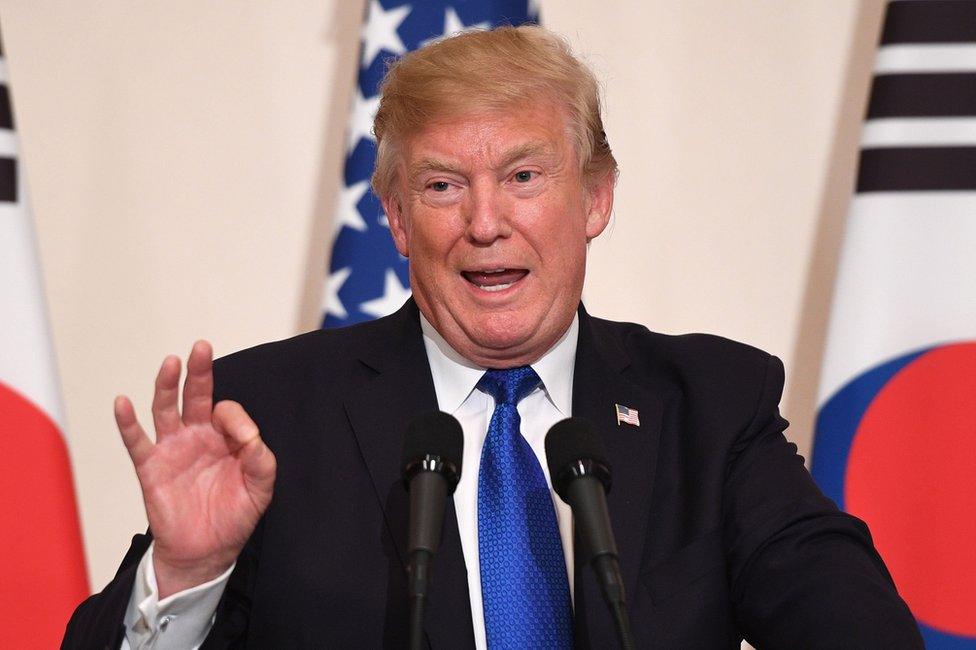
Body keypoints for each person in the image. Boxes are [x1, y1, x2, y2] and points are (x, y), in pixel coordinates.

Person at [63, 26, 922, 649]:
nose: (484, 223)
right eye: (442, 186)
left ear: (594, 199)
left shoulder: (707, 405)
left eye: (522, 176)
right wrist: (183, 580)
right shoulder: (273, 419)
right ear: (396, 219)